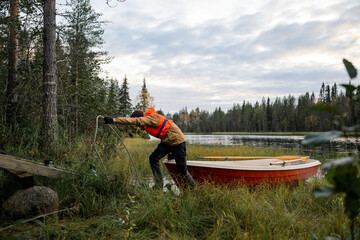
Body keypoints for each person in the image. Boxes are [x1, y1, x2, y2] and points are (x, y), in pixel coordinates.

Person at [103, 107, 196, 190]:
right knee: (153, 158)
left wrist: (114, 120)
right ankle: (159, 186)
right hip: (167, 142)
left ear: (140, 118)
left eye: (138, 124)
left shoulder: (150, 119)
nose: (138, 127)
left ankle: (193, 189)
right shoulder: (148, 121)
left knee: (182, 171)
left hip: (178, 143)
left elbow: (135, 121)